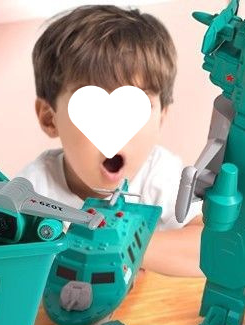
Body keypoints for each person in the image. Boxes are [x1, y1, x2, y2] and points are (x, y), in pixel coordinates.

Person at [18, 3, 203, 240]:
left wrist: (120, 244)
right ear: (49, 118)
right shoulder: (34, 187)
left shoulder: (160, 174)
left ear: (160, 118)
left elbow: (204, 241)